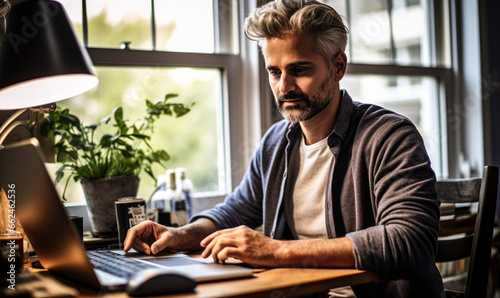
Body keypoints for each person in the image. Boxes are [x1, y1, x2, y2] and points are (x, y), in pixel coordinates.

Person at [124, 0, 444, 297]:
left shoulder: (389, 135)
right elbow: (236, 210)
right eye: (274, 72)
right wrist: (180, 235)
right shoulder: (276, 141)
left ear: (338, 67)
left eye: (299, 70)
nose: (284, 87)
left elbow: (410, 242)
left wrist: (273, 250)